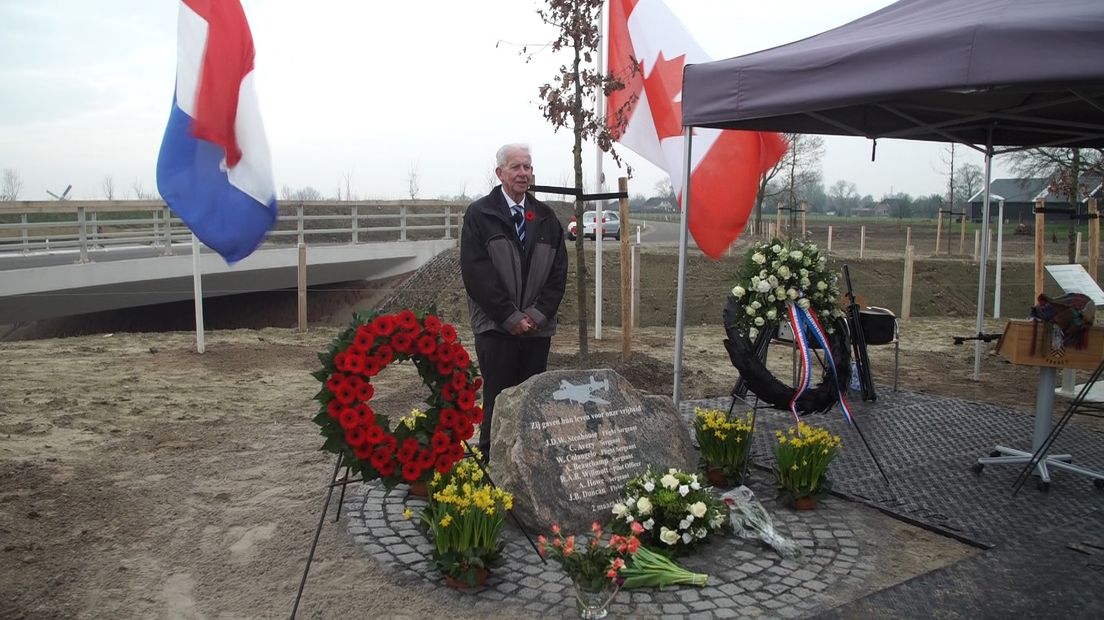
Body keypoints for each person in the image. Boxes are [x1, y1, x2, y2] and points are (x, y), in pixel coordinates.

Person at [460, 143, 568, 461]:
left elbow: (558, 274)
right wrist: (509, 316)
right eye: (516, 167)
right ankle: (494, 462)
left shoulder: (546, 218)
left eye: (528, 167)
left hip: (536, 329)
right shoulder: (480, 215)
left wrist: (535, 315)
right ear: (500, 173)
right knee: (498, 398)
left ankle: (530, 464)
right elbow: (476, 273)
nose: (524, 173)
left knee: (531, 400)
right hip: (495, 328)